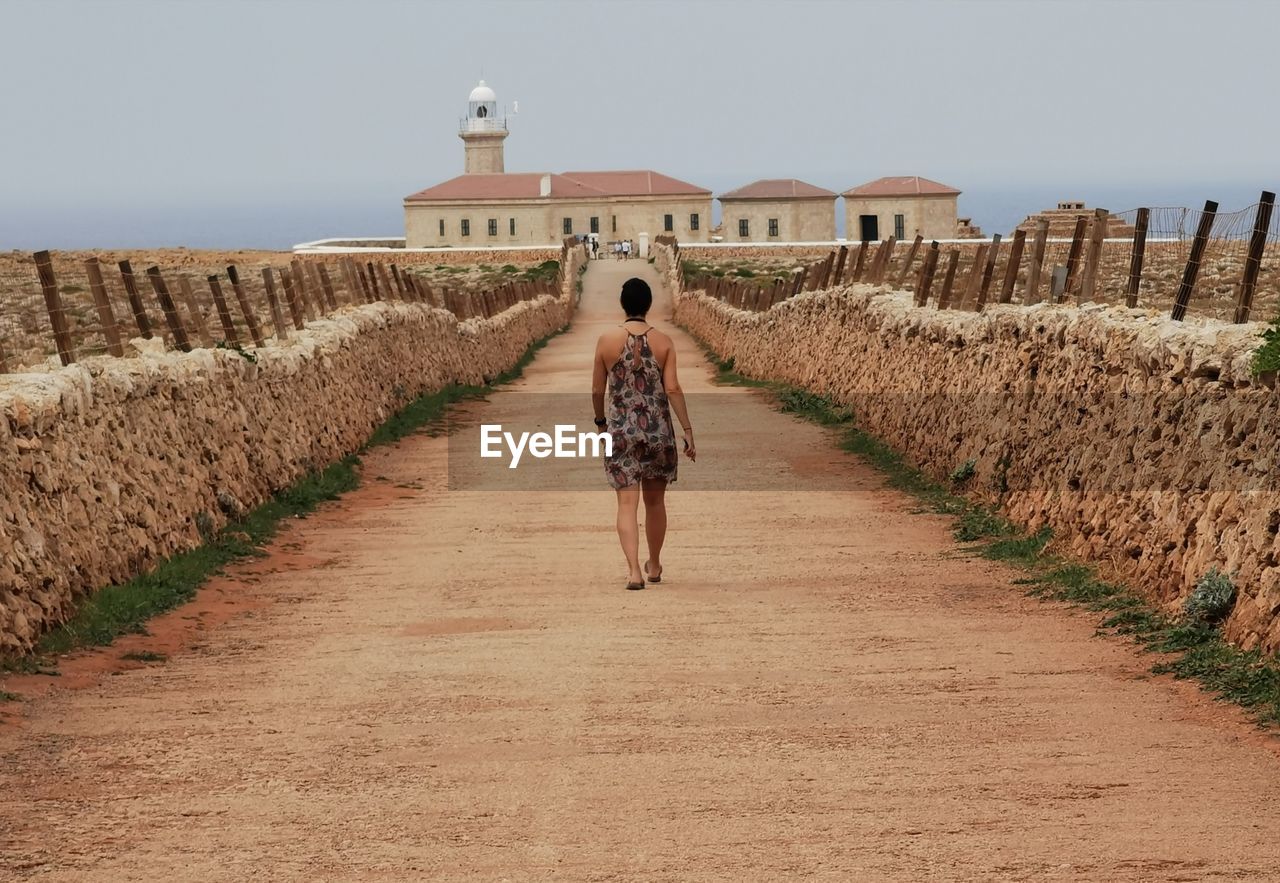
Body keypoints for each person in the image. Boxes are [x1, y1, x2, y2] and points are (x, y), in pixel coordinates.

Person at [592, 277, 695, 590]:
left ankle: (634, 570)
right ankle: (655, 564)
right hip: (657, 432)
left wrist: (600, 423)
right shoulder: (664, 342)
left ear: (623, 304)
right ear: (648, 305)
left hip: (621, 432)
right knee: (655, 503)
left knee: (626, 505)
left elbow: (598, 389)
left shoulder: (606, 341)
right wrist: (688, 429)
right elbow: (673, 388)